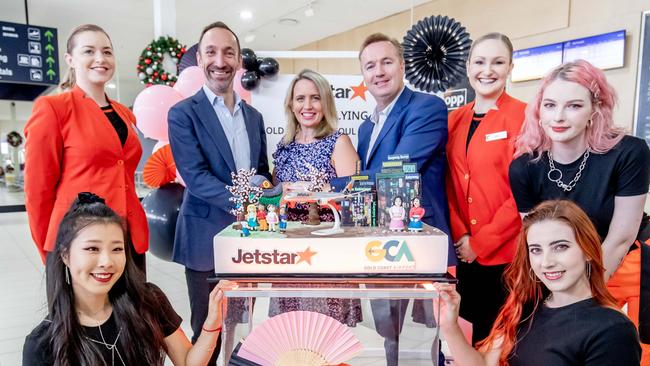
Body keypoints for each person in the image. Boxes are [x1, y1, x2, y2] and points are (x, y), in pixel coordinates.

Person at [509, 59, 650, 363]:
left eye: (573, 106)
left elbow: (621, 237)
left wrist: (585, 293)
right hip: (565, 264)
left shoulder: (629, 152)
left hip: (624, 261)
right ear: (538, 110)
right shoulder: (524, 168)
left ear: (594, 110)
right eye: (549, 105)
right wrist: (559, 288)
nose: (558, 116)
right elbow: (536, 240)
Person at [328, 32, 450, 365]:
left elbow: (396, 170)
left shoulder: (427, 107)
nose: (378, 71)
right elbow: (371, 186)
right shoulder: (367, 127)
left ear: (402, 64)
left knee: (425, 339)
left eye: (386, 62)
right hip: (381, 246)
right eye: (370, 66)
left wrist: (332, 187)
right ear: (363, 76)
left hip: (419, 241)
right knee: (389, 334)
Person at [23, 192, 235, 366]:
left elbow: (188, 363)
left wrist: (212, 322)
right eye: (92, 249)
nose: (106, 261)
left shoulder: (147, 301)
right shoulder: (42, 343)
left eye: (117, 249)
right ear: (65, 255)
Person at [168, 21, 270, 364]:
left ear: (239, 59)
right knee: (208, 331)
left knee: (240, 327)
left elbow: (262, 172)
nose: (220, 60)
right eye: (211, 52)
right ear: (199, 59)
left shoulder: (254, 117)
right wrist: (249, 199)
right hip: (205, 241)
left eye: (229, 52)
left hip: (250, 241)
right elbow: (196, 178)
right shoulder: (183, 114)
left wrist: (272, 192)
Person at [435, 200, 641, 365]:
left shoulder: (612, 329)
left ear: (587, 250)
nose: (547, 262)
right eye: (536, 250)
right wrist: (450, 326)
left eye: (560, 247)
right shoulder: (527, 308)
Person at [24, 24, 148, 270]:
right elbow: (37, 191)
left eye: (107, 52)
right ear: (71, 59)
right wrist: (50, 252)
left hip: (128, 239)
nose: (100, 58)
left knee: (132, 309)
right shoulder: (54, 109)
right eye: (89, 51)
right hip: (81, 242)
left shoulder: (124, 114)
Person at [445, 32, 526, 345]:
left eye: (498, 62)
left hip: (504, 254)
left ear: (510, 68)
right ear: (468, 67)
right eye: (479, 61)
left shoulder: (524, 116)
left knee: (498, 341)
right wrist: (461, 234)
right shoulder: (454, 119)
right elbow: (448, 182)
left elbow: (522, 190)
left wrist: (481, 242)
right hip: (463, 253)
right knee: (465, 339)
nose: (487, 70)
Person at [269, 68, 362, 326]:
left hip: (327, 253)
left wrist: (313, 193)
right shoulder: (284, 145)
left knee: (325, 334)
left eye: (315, 97)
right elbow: (276, 197)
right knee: (289, 334)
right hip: (289, 254)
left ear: (326, 102)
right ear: (291, 103)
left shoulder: (338, 142)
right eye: (300, 98)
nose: (307, 105)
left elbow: (353, 202)